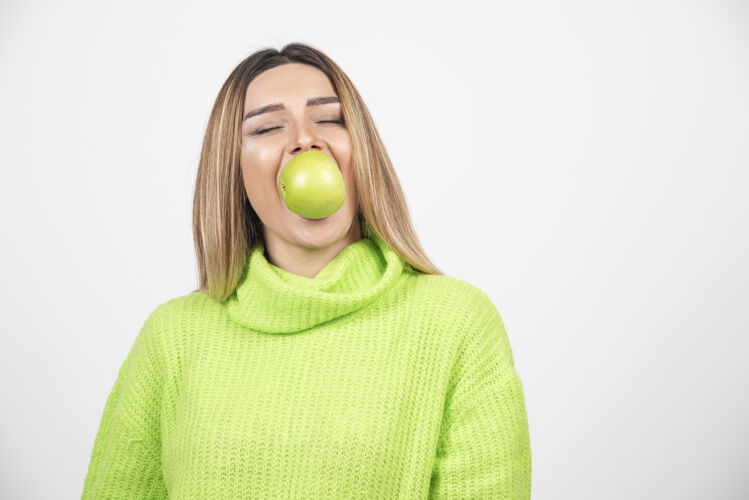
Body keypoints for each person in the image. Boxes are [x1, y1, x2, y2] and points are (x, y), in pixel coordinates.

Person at [81, 42, 531, 499]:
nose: (304, 139)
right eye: (268, 127)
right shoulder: (172, 337)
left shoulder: (457, 323)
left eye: (329, 119)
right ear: (233, 171)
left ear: (362, 152)